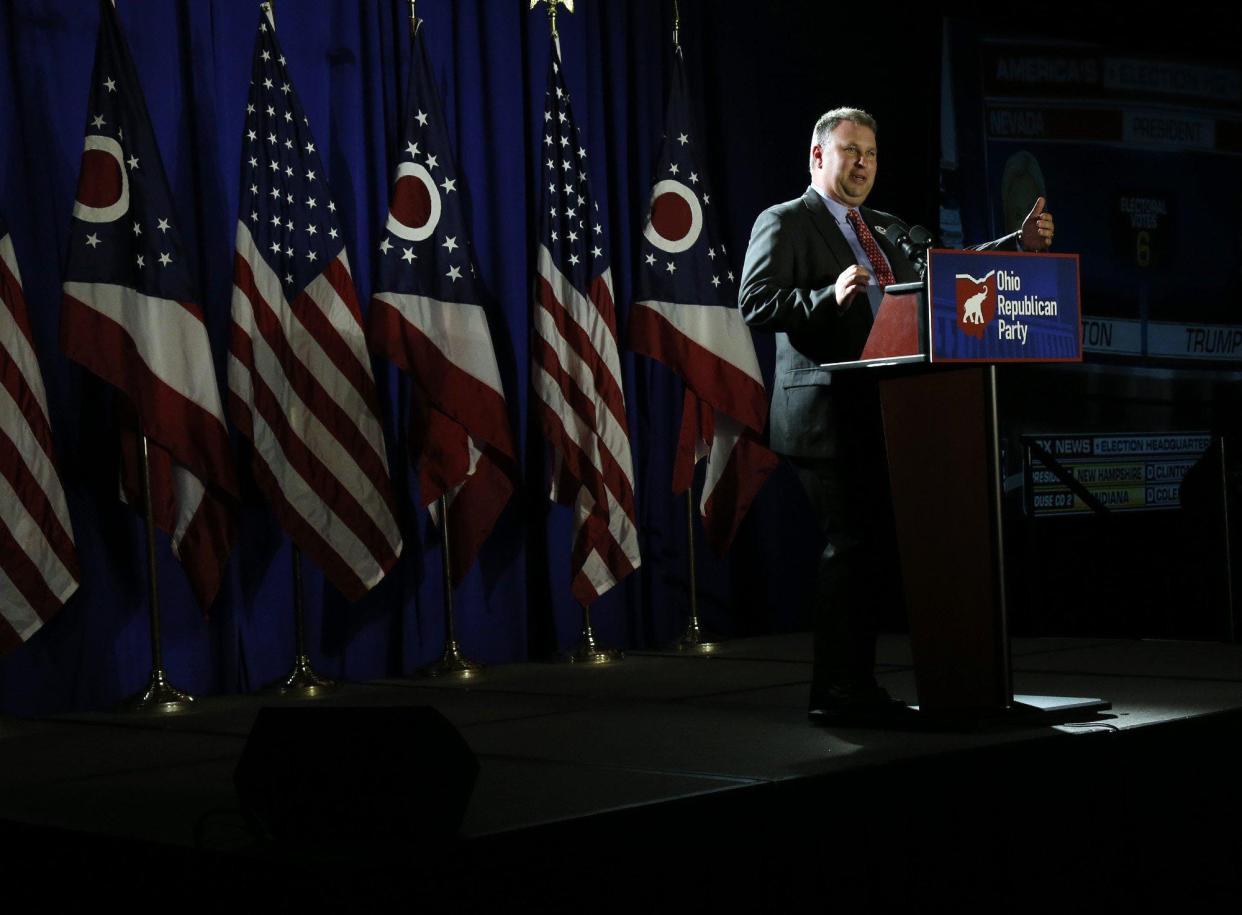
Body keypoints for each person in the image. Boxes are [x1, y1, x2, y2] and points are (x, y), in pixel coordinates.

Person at [738, 107, 1054, 725]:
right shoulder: (785, 221)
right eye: (851, 151)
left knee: (876, 550)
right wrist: (825, 297)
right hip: (827, 412)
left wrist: (1015, 248)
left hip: (899, 413)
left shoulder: (886, 228)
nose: (863, 163)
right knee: (852, 546)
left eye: (872, 153)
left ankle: (865, 685)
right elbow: (755, 300)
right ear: (817, 157)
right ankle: (835, 690)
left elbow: (945, 276)